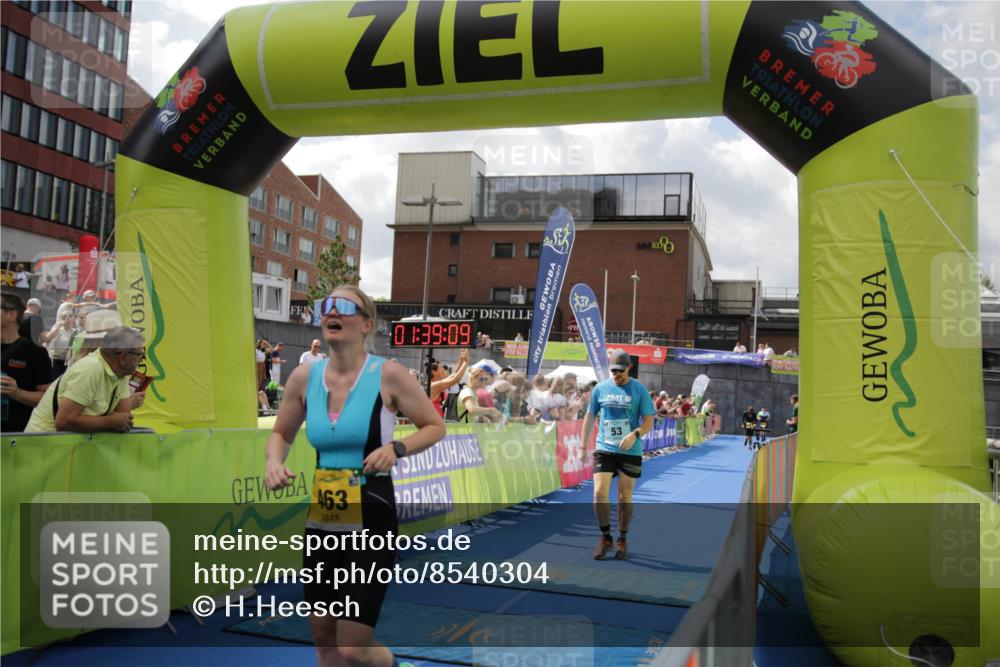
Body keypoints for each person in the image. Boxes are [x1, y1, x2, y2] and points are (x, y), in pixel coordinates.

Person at [263, 285, 445, 667]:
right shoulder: (302, 377)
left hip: (372, 514)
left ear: (366, 324)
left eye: (344, 306)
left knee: (353, 647)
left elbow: (434, 426)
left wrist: (396, 448)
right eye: (326, 305)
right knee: (324, 638)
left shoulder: (389, 375)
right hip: (323, 520)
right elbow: (281, 433)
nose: (333, 311)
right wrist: (273, 462)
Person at [582, 349, 655, 561]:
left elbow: (649, 421)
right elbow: (589, 416)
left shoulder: (639, 389)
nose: (617, 375)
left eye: (621, 371)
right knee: (598, 494)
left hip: (630, 449)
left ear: (629, 368)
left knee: (624, 497)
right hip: (605, 447)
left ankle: (622, 538)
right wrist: (581, 445)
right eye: (613, 371)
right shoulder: (601, 389)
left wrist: (636, 433)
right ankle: (605, 537)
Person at [25, 326, 145, 433]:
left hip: (65, 449)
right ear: (123, 356)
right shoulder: (91, 369)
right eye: (140, 355)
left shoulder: (120, 373)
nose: (141, 360)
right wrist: (110, 421)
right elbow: (64, 422)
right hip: (42, 448)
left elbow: (125, 419)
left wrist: (112, 420)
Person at [1, 293, 53, 432]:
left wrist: (16, 393)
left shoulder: (35, 352)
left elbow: (47, 398)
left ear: (11, 315)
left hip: (13, 437)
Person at [429, 349, 468, 418]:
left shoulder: (437, 383)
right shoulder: (434, 385)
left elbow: (454, 375)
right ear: (434, 372)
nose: (444, 370)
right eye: (441, 368)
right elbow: (456, 379)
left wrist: (461, 359)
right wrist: (465, 362)